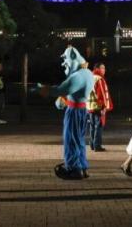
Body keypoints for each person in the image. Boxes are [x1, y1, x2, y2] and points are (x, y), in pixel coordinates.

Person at [37, 46, 95, 180]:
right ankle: (82, 166)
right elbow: (69, 92)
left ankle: (73, 168)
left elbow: (61, 89)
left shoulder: (77, 76)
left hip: (74, 112)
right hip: (81, 109)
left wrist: (44, 89)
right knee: (79, 140)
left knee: (71, 140)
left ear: (73, 57)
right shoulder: (87, 73)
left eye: (65, 59)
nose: (63, 63)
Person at [87, 63, 113, 152]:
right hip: (98, 106)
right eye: (102, 68)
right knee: (99, 125)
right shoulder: (99, 79)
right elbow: (101, 94)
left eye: (104, 68)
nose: (104, 70)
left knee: (92, 125)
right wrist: (104, 107)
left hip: (90, 106)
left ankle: (92, 145)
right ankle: (97, 145)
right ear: (97, 69)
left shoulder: (90, 78)